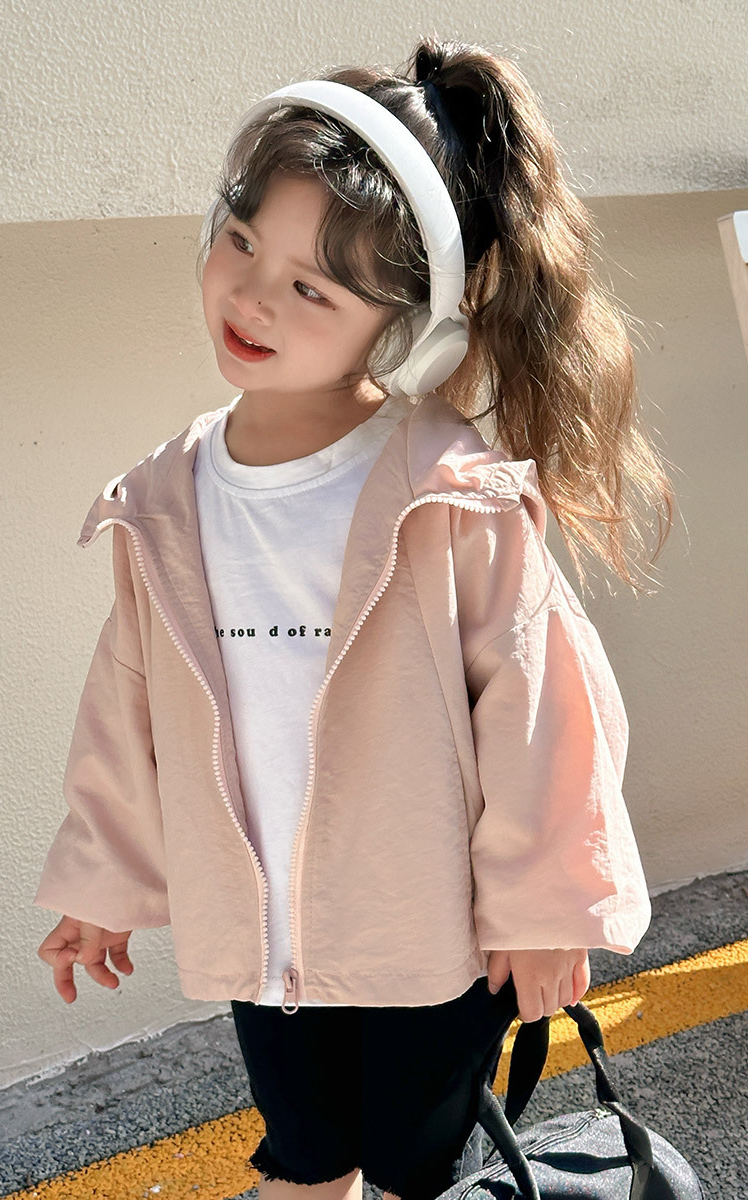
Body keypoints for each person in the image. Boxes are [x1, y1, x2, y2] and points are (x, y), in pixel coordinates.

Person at [34, 34, 675, 1200]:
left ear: (411, 325)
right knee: (304, 1154)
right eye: (242, 240)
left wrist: (544, 907)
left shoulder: (448, 490)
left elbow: (540, 707)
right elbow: (127, 710)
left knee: (415, 1170)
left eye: (310, 288)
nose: (251, 296)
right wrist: (101, 880)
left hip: (429, 939)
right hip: (265, 941)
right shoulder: (164, 498)